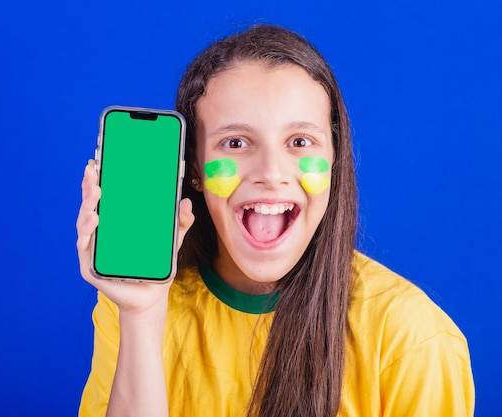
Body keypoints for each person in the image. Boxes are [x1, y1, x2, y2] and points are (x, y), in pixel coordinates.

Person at [75, 24, 474, 417]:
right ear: (193, 166)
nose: (270, 172)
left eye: (300, 142)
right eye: (235, 143)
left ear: (336, 158)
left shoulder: (412, 337)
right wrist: (141, 318)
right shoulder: (132, 308)